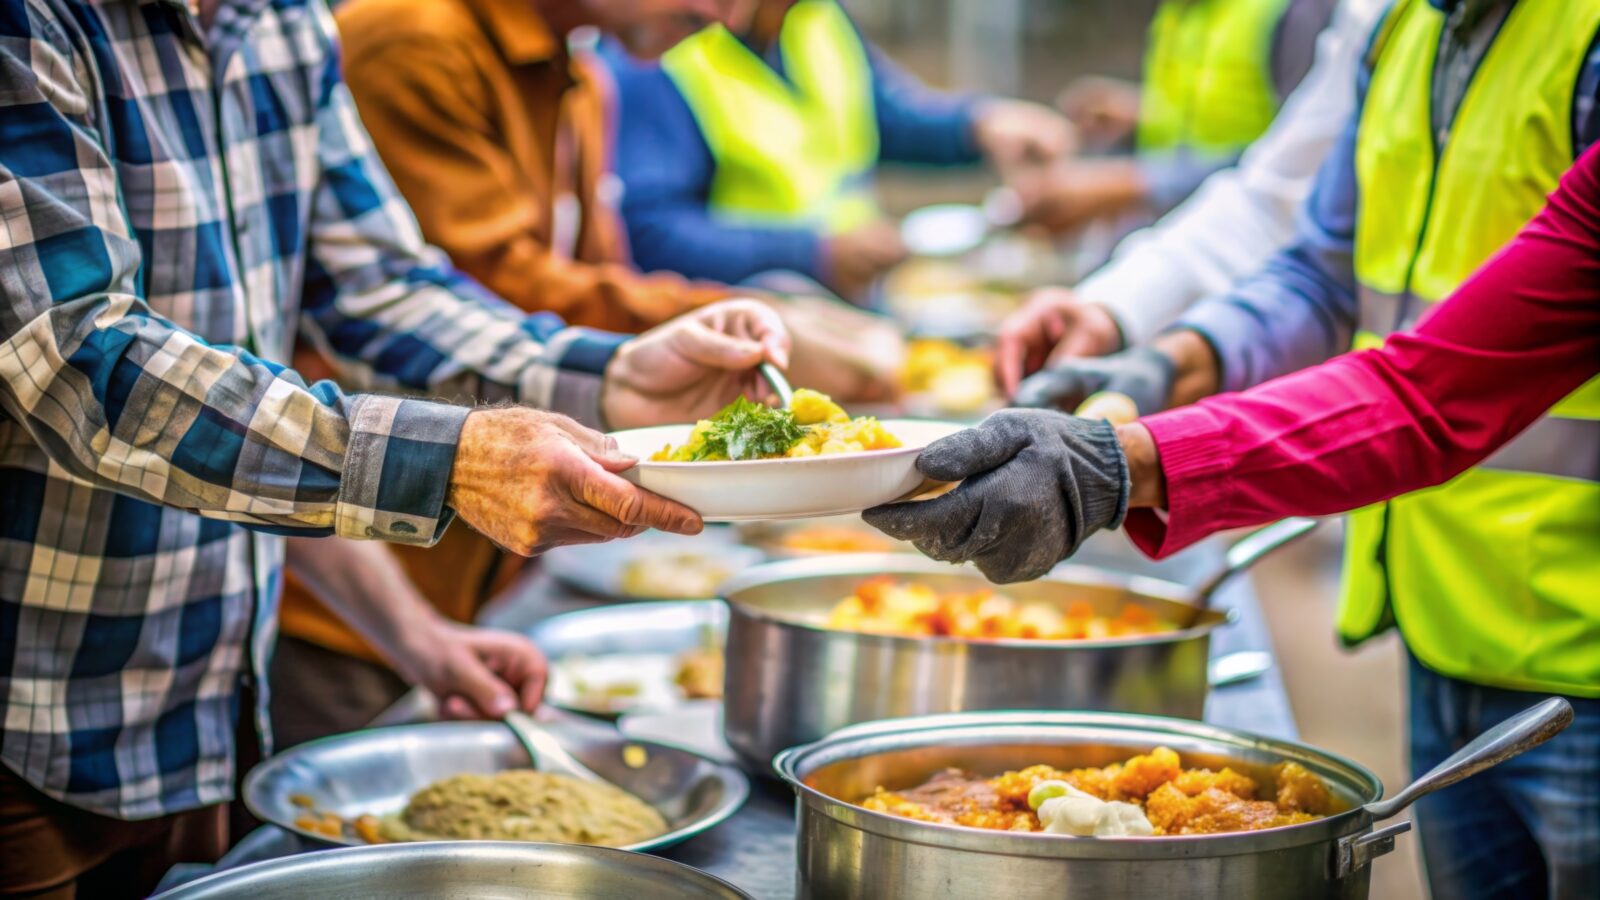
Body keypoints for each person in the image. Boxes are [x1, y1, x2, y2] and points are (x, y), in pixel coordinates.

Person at [0, 0, 789, 891]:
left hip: (212, 700)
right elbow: (80, 360)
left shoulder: (280, 21)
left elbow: (380, 285)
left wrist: (614, 371)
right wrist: (446, 459)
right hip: (35, 718)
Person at [869, 0, 1600, 893]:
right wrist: (1162, 360)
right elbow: (1320, 270)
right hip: (1451, 614)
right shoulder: (1410, 25)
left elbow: (1429, 393)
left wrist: (1119, 464)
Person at [994, 0, 1386, 389]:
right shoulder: (1180, 13)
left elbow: (1296, 187)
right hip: (1199, 291)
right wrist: (1112, 308)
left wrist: (1128, 182)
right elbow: (1269, 193)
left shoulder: (1309, 11)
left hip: (1279, 347)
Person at [599, 0, 1074, 301]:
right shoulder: (659, 49)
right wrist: (813, 252)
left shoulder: (818, 17)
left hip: (855, 306)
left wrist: (980, 124)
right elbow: (650, 234)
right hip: (749, 327)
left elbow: (882, 113)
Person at [1010, 0, 1333, 236]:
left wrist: (1130, 183)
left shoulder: (1297, 12)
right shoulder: (1181, 11)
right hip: (1173, 243)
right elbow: (1214, 117)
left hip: (1243, 257)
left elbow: (1302, 165)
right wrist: (1139, 114)